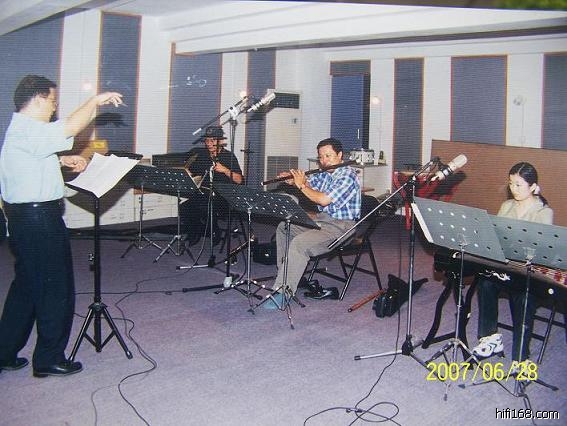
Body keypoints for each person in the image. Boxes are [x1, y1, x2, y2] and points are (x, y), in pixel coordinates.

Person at [0, 75, 123, 377]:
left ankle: (4, 352)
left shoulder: (21, 130)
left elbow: (29, 164)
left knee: (27, 287)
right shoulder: (30, 128)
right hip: (40, 220)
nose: (55, 108)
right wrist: (95, 101)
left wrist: (61, 161)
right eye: (53, 101)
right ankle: (49, 359)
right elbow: (69, 127)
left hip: (23, 219)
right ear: (38, 98)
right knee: (56, 289)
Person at [472, 162, 553, 365]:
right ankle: (491, 338)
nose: (513, 189)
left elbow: (541, 250)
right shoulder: (506, 206)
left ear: (533, 187)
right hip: (507, 266)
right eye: (511, 184)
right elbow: (497, 237)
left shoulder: (543, 212)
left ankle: (521, 357)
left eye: (518, 185)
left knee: (523, 297)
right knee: (486, 282)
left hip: (528, 272)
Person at [266, 137, 361, 307]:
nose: (324, 161)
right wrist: (293, 180)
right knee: (284, 227)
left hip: (341, 228)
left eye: (328, 156)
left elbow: (323, 200)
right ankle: (287, 274)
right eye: (321, 157)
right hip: (322, 222)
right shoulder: (325, 173)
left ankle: (283, 291)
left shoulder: (348, 176)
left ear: (340, 155)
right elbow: (309, 183)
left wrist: (301, 186)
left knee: (299, 244)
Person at [180, 125, 243, 246]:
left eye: (212, 140)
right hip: (204, 193)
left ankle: (214, 231)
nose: (209, 144)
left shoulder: (228, 156)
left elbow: (239, 180)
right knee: (184, 207)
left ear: (221, 141)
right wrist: (186, 172)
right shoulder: (202, 155)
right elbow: (192, 171)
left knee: (205, 206)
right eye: (207, 140)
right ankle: (196, 232)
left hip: (223, 196)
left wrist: (225, 170)